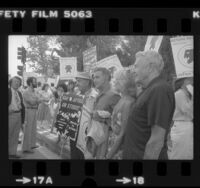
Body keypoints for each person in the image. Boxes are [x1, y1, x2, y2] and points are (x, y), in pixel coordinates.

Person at [123, 50, 175, 160]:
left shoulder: (159, 90)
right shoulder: (150, 90)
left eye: (136, 66)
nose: (133, 71)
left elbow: (156, 141)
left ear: (150, 68)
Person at [86, 67, 121, 159]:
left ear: (106, 78)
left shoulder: (114, 95)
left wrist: (103, 117)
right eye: (93, 77)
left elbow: (120, 123)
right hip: (95, 142)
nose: (94, 80)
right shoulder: (98, 94)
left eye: (97, 77)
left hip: (105, 146)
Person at [106, 69, 136, 159]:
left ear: (124, 83)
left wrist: (109, 156)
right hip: (115, 144)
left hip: (120, 149)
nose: (114, 82)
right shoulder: (122, 99)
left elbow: (123, 133)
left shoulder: (128, 103)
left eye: (117, 79)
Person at [69, 72, 98, 159]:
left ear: (88, 82)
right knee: (74, 156)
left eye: (79, 81)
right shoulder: (76, 95)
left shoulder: (95, 96)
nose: (76, 83)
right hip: (74, 133)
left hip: (87, 134)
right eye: (76, 81)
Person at [168, 77, 193, 159]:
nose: (191, 81)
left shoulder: (186, 94)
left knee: (187, 153)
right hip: (182, 125)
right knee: (181, 154)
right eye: (189, 80)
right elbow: (186, 110)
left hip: (185, 125)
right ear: (183, 82)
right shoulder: (180, 93)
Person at [22, 77, 43, 153]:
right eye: (35, 82)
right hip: (29, 110)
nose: (36, 83)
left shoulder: (34, 91)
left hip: (34, 110)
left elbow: (40, 99)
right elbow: (32, 102)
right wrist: (38, 100)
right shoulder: (26, 92)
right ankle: (26, 148)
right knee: (28, 129)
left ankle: (32, 144)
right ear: (30, 83)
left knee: (33, 128)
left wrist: (38, 100)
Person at [8, 76, 25, 158]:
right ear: (11, 82)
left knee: (15, 135)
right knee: (8, 134)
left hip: (18, 115)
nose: (17, 83)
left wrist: (22, 120)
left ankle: (12, 152)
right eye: (15, 81)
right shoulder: (7, 91)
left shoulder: (19, 93)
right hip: (10, 115)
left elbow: (22, 106)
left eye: (18, 82)